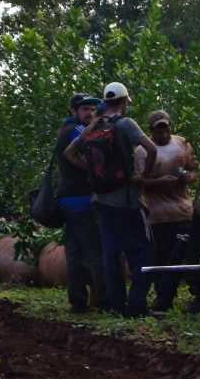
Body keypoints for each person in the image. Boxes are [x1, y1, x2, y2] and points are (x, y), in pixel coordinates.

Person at [64, 82, 159, 317]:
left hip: (101, 201)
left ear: (104, 103)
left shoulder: (94, 126)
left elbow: (69, 152)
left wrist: (91, 172)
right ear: (125, 101)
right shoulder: (126, 124)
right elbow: (152, 149)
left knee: (111, 253)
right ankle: (137, 305)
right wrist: (143, 176)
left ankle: (116, 305)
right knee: (144, 251)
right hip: (127, 201)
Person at [136, 109, 198, 312]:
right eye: (158, 130)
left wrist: (190, 176)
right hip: (157, 214)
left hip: (182, 210)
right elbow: (138, 182)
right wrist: (159, 182)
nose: (163, 134)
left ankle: (196, 295)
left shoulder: (182, 144)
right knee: (162, 257)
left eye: (166, 128)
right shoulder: (141, 151)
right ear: (150, 131)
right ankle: (164, 298)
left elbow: (194, 168)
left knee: (188, 254)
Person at [54, 93, 108, 313]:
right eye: (85, 109)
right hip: (83, 201)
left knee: (74, 254)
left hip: (68, 200)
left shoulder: (63, 130)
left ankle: (77, 300)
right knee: (95, 251)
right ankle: (103, 300)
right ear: (73, 111)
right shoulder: (76, 130)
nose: (90, 113)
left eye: (92, 110)